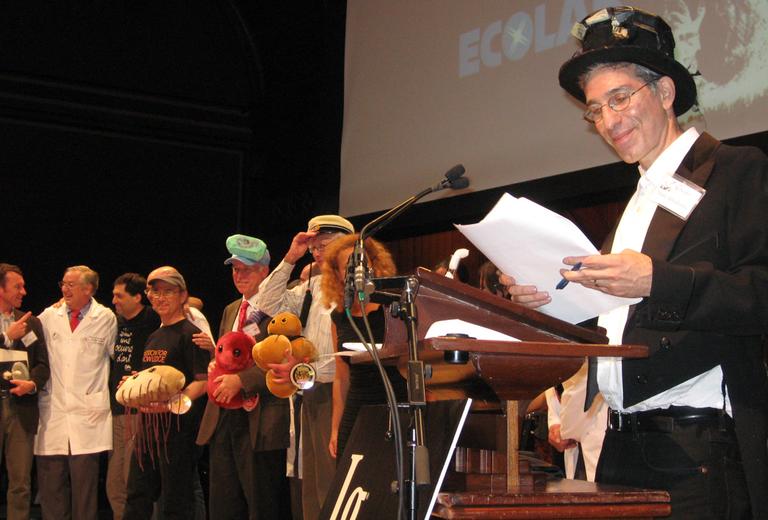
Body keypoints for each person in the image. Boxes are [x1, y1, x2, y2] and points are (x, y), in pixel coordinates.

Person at [503, 6, 768, 517]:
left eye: (620, 98)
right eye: (595, 110)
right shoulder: (634, 208)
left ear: (666, 94)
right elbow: (617, 320)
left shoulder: (737, 171)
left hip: (699, 448)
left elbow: (760, 291)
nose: (607, 121)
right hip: (621, 442)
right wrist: (548, 306)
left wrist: (657, 280)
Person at [259, 214, 354, 519]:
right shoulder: (309, 286)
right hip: (308, 392)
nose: (316, 252)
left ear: (345, 244)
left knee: (329, 481)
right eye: (313, 247)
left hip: (338, 390)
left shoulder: (353, 284)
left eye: (323, 244)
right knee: (309, 484)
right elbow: (266, 304)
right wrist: (290, 257)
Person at [196, 234, 291, 519]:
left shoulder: (280, 307)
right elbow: (229, 356)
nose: (239, 275)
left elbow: (285, 359)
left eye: (246, 269)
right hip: (224, 417)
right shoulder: (230, 310)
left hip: (260, 419)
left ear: (265, 270)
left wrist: (243, 380)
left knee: (261, 503)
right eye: (235, 269)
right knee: (224, 502)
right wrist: (216, 367)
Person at [123, 266, 209, 520]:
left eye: (168, 292)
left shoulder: (192, 335)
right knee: (137, 494)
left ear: (182, 295)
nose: (160, 297)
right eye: (155, 292)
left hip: (178, 431)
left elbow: (202, 383)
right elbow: (152, 378)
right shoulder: (154, 337)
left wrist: (172, 404)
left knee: (176, 500)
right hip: (148, 429)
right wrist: (134, 384)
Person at [35, 265, 117, 520]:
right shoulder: (49, 316)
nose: (65, 289)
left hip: (88, 416)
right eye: (63, 284)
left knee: (85, 491)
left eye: (71, 284)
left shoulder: (105, 318)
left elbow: (118, 357)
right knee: (52, 490)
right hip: (53, 413)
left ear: (88, 289)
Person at [320, 234, 407, 460]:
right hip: (358, 404)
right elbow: (341, 377)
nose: (355, 272)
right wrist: (335, 428)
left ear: (374, 267)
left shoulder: (394, 306)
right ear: (337, 274)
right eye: (347, 267)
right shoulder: (339, 317)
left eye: (361, 265)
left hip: (395, 402)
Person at [107, 273, 161, 520]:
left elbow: (191, 304)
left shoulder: (151, 318)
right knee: (115, 482)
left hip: (140, 410)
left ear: (138, 297)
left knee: (133, 478)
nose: (114, 300)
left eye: (120, 295)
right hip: (117, 409)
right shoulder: (114, 322)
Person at [0, 264, 49, 520]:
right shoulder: (12, 328)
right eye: (17, 286)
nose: (24, 291)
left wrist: (33, 384)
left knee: (20, 483)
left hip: (21, 408)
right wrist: (6, 338)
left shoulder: (30, 321)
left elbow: (43, 364)